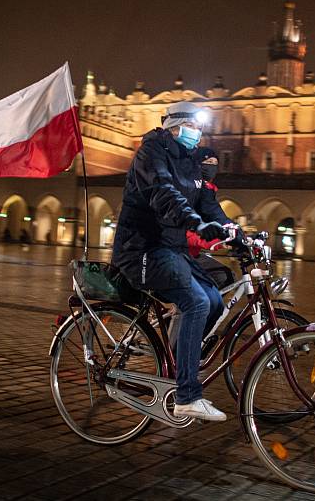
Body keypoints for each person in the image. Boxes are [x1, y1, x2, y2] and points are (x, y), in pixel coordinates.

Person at [111, 101, 234, 422]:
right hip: (142, 248)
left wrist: (236, 231)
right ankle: (186, 396)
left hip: (172, 248)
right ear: (176, 126)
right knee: (196, 302)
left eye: (200, 128)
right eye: (193, 126)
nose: (198, 133)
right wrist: (196, 224)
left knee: (214, 301)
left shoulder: (191, 161)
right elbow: (164, 194)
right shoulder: (151, 153)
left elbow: (208, 202)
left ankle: (179, 369)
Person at [185, 147, 236, 290]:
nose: (212, 166)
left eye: (215, 163)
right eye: (208, 161)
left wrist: (235, 237)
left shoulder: (207, 190)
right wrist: (212, 242)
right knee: (222, 278)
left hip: (190, 253)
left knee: (226, 277)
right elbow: (183, 229)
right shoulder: (191, 190)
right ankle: (188, 310)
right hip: (177, 252)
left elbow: (218, 217)